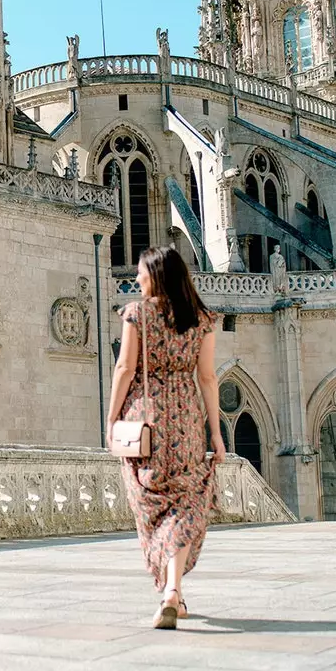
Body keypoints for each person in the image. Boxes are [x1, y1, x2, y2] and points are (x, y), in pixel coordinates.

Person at [107, 246, 223, 629]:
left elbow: (125, 368)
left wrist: (111, 419)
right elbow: (207, 378)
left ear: (155, 275)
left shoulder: (137, 314)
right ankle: (174, 591)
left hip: (147, 417)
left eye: (141, 272)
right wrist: (216, 434)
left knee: (153, 504)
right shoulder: (202, 319)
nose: (137, 278)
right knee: (187, 500)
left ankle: (170, 592)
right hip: (187, 419)